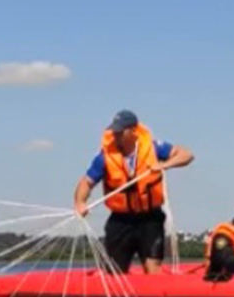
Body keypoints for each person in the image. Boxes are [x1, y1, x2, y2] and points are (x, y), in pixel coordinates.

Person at [73, 110, 194, 273]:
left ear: (133, 131)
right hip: (121, 220)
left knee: (153, 268)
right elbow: (86, 183)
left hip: (150, 217)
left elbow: (186, 155)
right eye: (114, 131)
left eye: (120, 132)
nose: (115, 135)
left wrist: (164, 165)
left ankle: (153, 293)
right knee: (114, 271)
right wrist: (80, 203)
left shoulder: (154, 148)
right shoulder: (105, 157)